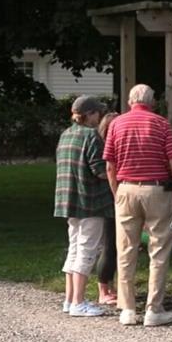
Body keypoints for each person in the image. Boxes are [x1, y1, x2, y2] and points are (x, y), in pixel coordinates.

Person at [103, 84, 172, 326]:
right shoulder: (161, 124)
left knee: (125, 250)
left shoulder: (116, 124)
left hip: (126, 188)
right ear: (152, 102)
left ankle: (128, 309)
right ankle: (154, 309)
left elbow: (110, 166)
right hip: (156, 190)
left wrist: (117, 194)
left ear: (130, 101)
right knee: (159, 249)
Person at [54, 95, 114, 317]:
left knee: (74, 248)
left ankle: (69, 300)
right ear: (88, 115)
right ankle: (79, 302)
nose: (99, 116)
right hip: (90, 201)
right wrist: (116, 178)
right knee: (87, 251)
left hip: (68, 201)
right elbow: (99, 170)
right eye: (97, 113)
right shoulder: (92, 136)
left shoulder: (65, 135)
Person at [95, 111, 120, 305]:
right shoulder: (105, 148)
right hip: (109, 201)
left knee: (115, 246)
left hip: (112, 199)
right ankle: (103, 289)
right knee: (110, 245)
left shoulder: (106, 145)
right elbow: (104, 171)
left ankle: (109, 286)